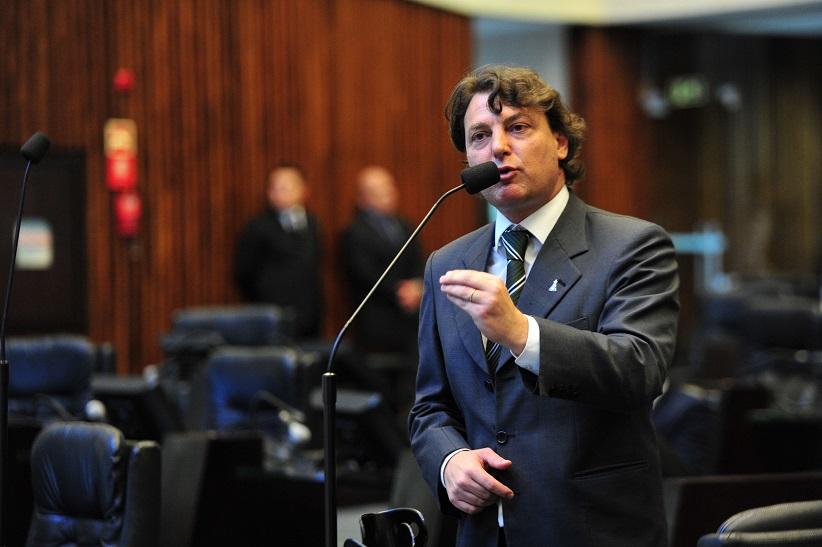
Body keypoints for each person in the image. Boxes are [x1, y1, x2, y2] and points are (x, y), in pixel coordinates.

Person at [408, 65, 679, 547]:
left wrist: (521, 333)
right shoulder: (446, 263)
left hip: (590, 529)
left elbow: (640, 369)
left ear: (561, 143)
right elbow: (430, 406)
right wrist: (450, 461)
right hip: (484, 532)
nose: (498, 148)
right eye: (479, 136)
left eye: (517, 127)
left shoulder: (632, 245)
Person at [341, 166, 424, 412]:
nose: (387, 195)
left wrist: (417, 286)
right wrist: (398, 290)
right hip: (377, 317)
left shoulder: (405, 225)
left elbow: (418, 261)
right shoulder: (354, 232)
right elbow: (364, 273)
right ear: (363, 198)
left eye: (389, 188)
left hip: (410, 315)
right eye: (377, 191)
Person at [234, 165, 322, 339]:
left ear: (304, 190)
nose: (283, 192)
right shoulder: (257, 226)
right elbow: (244, 272)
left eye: (289, 186)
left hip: (309, 313)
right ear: (269, 192)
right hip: (273, 314)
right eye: (277, 187)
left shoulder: (312, 223)